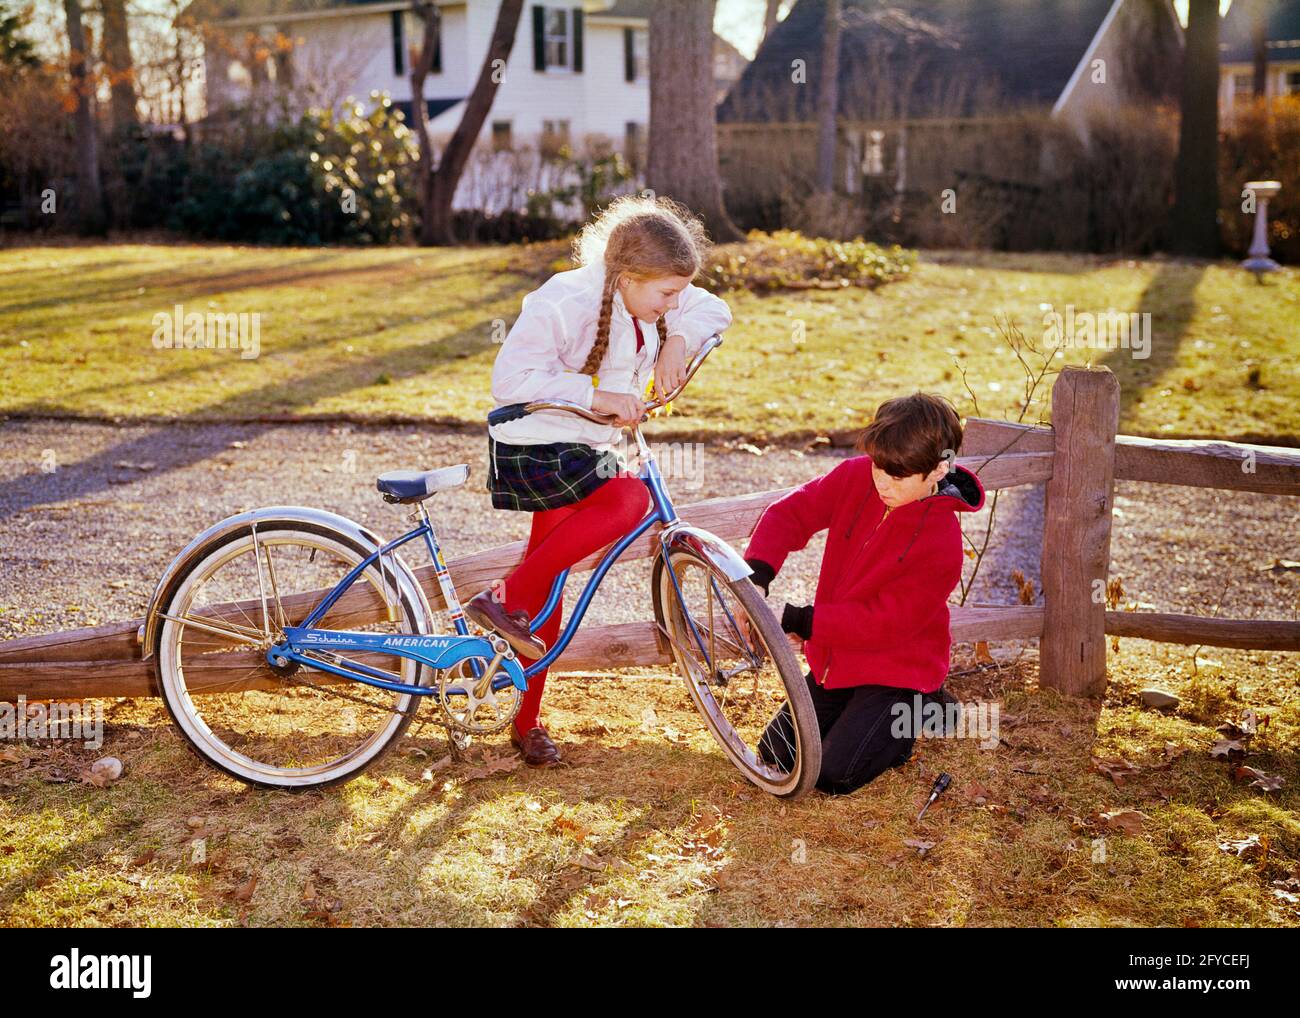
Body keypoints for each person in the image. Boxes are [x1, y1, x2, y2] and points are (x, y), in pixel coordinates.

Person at [466, 195, 732, 766]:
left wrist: (679, 339)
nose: (672, 304)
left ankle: (523, 719)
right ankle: (498, 599)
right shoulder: (565, 300)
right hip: (537, 446)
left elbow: (712, 308)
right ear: (627, 276)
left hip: (586, 447)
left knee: (549, 588)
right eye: (664, 294)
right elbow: (509, 377)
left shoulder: (657, 300)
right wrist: (597, 395)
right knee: (630, 498)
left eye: (675, 294)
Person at [743, 392, 985, 795]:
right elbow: (790, 513)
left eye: (898, 476)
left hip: (895, 669)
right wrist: (758, 574)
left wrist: (806, 621)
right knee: (778, 754)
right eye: (878, 468)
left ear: (940, 468)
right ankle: (859, 716)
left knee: (834, 775)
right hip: (836, 662)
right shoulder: (856, 476)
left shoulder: (942, 543)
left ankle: (923, 706)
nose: (882, 484)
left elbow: (885, 623)